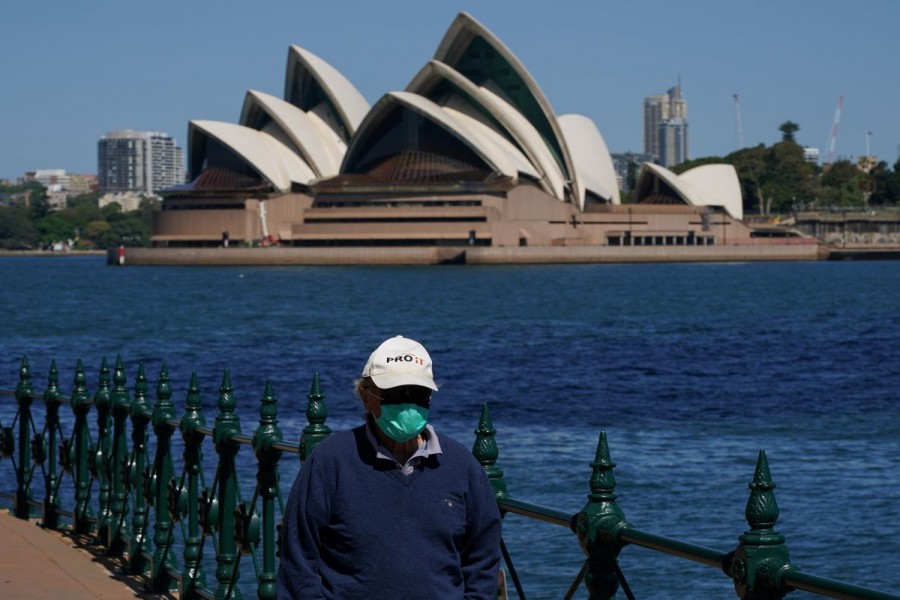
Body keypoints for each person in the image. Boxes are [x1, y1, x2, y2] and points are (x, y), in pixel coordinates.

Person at [277, 335, 502, 599]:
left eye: (419, 394)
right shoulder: (330, 461)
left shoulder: (461, 466)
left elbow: (483, 560)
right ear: (365, 395)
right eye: (395, 393)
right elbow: (298, 560)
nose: (408, 403)